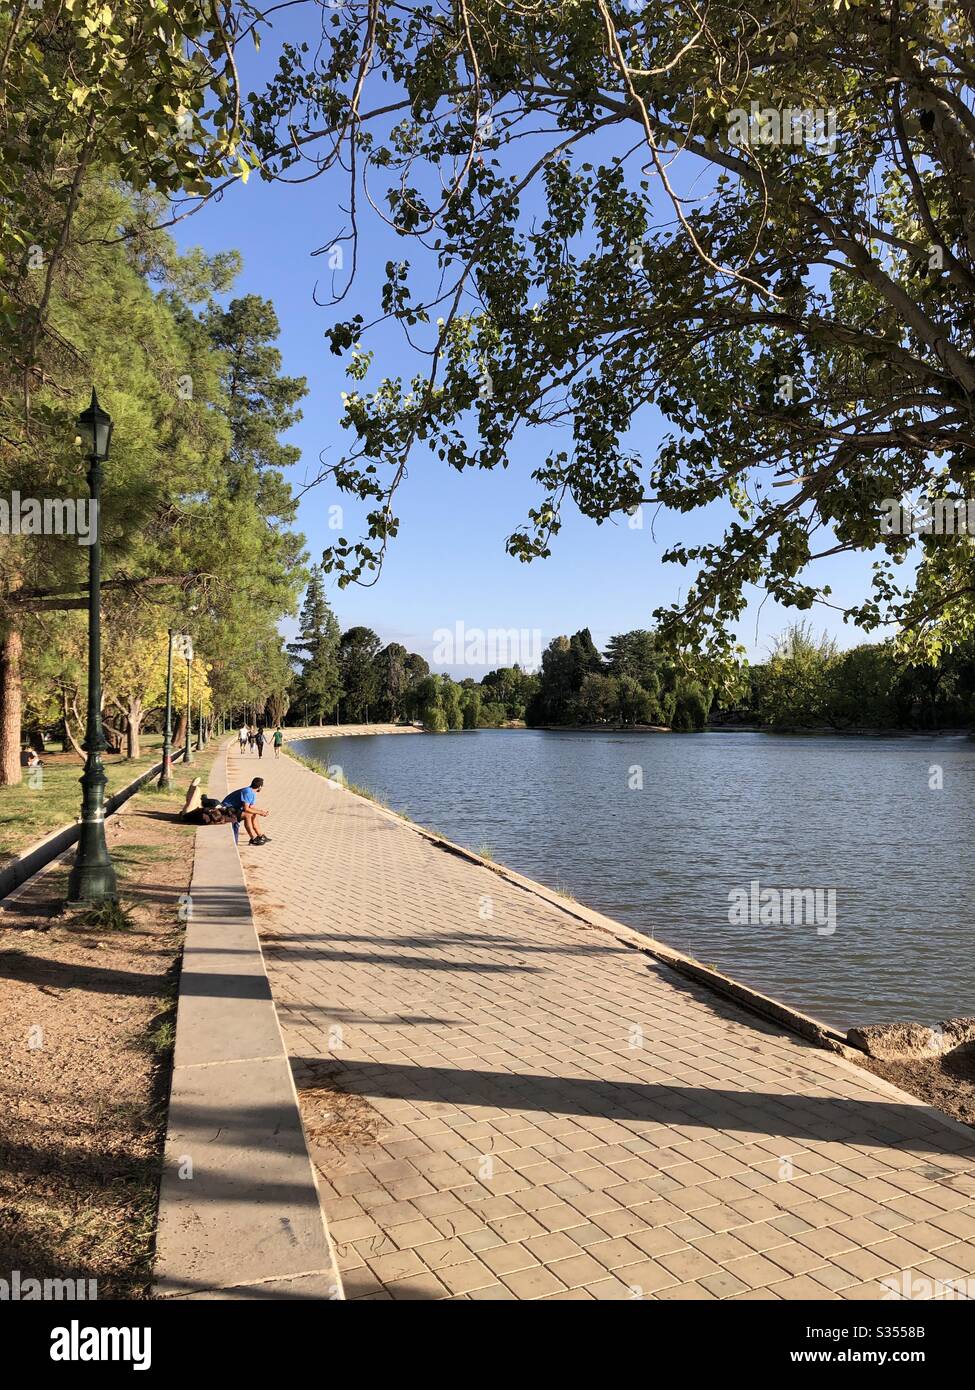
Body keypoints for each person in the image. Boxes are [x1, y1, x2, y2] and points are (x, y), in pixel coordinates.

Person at [221, 777, 271, 845]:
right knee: (247, 815)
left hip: (235, 809)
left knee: (254, 814)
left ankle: (260, 836)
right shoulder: (247, 792)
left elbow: (251, 808)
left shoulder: (252, 793)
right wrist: (260, 812)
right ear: (260, 787)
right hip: (226, 809)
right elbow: (246, 809)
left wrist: (261, 812)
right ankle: (253, 838)